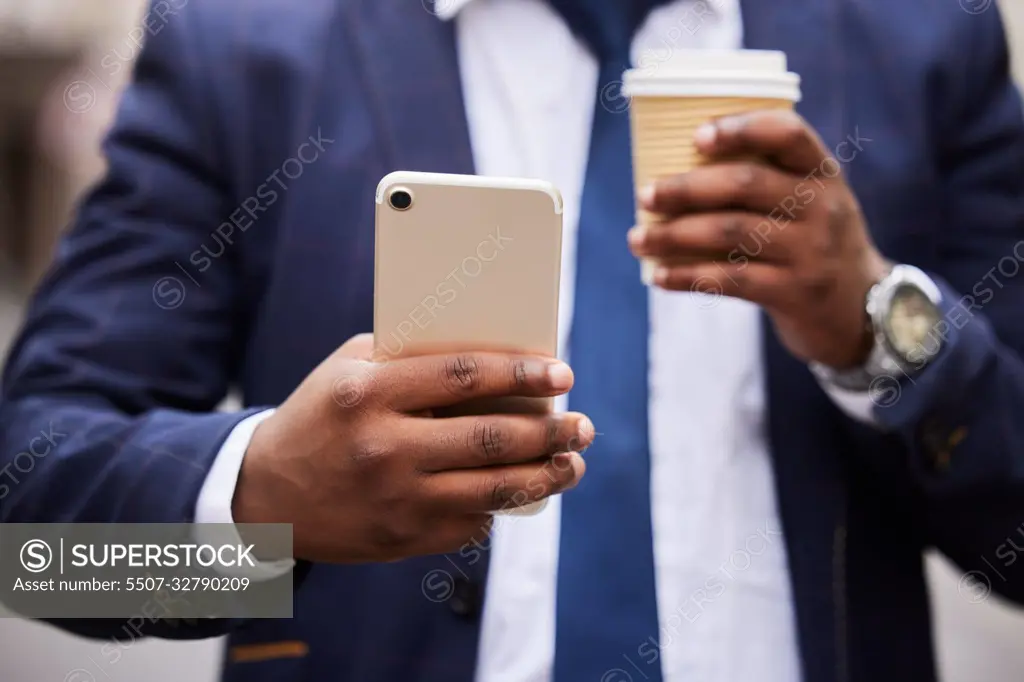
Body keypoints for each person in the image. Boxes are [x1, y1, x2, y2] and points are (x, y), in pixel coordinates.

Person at [3, 0, 1024, 680]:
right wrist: (259, 497)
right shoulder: (242, 38)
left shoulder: (923, 30)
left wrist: (887, 330)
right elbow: (37, 553)